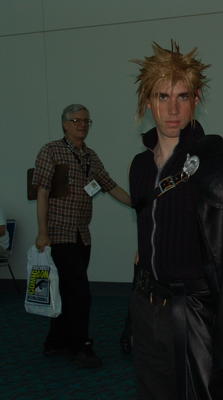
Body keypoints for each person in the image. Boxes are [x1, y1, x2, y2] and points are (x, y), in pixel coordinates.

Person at [128, 41, 223, 400]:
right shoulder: (140, 167)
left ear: (197, 99)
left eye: (183, 96)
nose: (172, 109)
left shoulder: (215, 166)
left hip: (194, 312)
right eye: (162, 96)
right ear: (148, 101)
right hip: (147, 309)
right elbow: (147, 232)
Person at [32, 103, 131, 368]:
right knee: (80, 292)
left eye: (86, 121)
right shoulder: (51, 151)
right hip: (59, 234)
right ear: (65, 124)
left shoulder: (90, 156)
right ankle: (81, 347)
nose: (82, 125)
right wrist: (42, 232)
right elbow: (42, 191)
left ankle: (55, 341)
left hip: (82, 235)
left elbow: (110, 186)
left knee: (67, 290)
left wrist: (138, 203)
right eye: (76, 121)